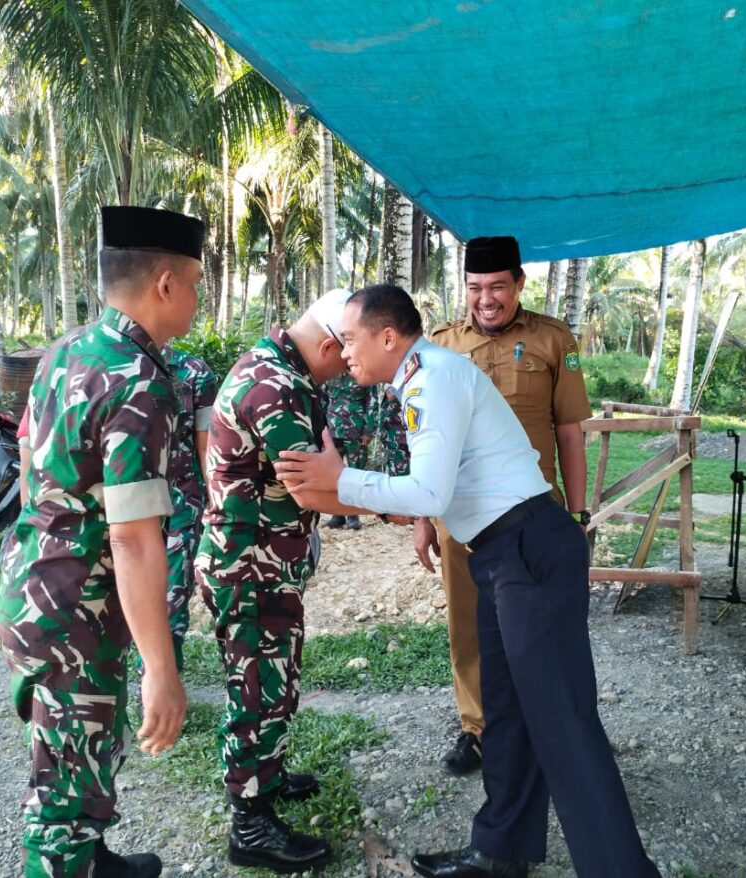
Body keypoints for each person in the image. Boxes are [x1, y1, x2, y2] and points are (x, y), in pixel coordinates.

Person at [275, 285, 661, 878]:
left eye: (351, 340)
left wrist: (342, 478)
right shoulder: (418, 379)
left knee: (564, 723)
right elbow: (439, 486)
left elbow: (428, 491)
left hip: (529, 548)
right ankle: (501, 852)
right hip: (501, 554)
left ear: (387, 337)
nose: (343, 351)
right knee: (505, 710)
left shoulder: (432, 379)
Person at [0, 205, 201, 878]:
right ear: (165, 283)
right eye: (198, 283)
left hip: (37, 588)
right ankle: (69, 861)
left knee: (72, 757)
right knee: (61, 795)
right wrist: (162, 673)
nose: (201, 299)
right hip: (75, 613)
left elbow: (30, 465)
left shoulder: (68, 353)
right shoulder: (139, 381)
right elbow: (135, 539)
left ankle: (92, 857)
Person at [194, 287, 355, 873]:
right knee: (256, 687)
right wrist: (400, 506)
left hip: (265, 561)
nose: (351, 367)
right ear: (330, 342)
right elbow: (314, 484)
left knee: (277, 676)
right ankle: (250, 823)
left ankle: (270, 772)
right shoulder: (276, 387)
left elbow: (321, 460)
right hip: (249, 566)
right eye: (350, 352)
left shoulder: (285, 372)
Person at [422, 235, 592, 775]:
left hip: (532, 517)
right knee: (468, 625)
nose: (486, 299)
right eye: (475, 288)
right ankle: (477, 729)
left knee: (540, 626)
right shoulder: (440, 344)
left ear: (519, 283)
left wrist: (580, 514)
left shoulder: (554, 340)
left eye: (497, 286)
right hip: (462, 519)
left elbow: (570, 432)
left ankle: (545, 729)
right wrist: (425, 519)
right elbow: (426, 436)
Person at [161, 348, 219, 673]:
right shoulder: (103, 361)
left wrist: (216, 507)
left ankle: (161, 688)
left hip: (180, 507)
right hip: (117, 508)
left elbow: (205, 447)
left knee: (172, 599)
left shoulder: (194, 372)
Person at [323, 371, 375, 529]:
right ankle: (337, 515)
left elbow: (372, 402)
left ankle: (353, 515)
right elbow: (322, 400)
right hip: (332, 430)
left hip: (355, 430)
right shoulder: (329, 373)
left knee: (355, 474)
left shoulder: (363, 372)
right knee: (332, 474)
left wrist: (368, 430)